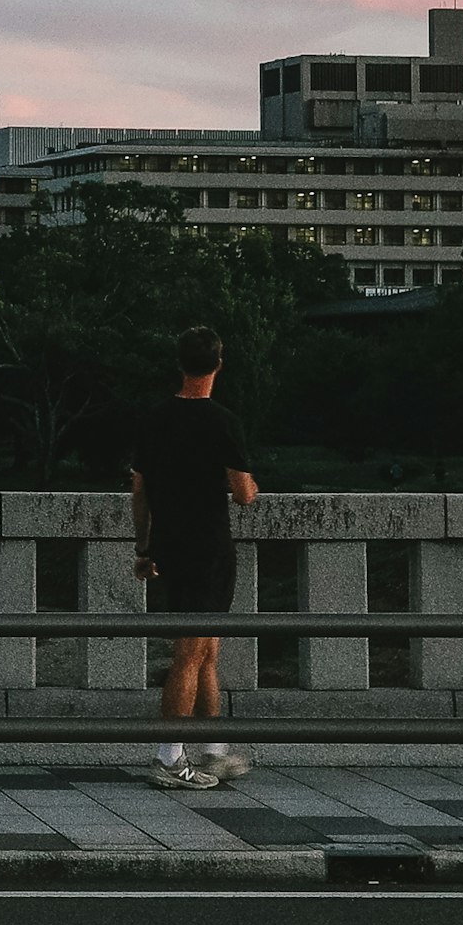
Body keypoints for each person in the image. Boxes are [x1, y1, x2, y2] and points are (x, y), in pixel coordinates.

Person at [130, 322, 261, 792]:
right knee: (190, 655)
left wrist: (144, 548)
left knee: (207, 652)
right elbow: (245, 494)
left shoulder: (154, 418)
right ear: (218, 365)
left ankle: (213, 750)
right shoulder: (223, 421)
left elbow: (140, 493)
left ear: (179, 364)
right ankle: (169, 756)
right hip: (209, 547)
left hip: (171, 546)